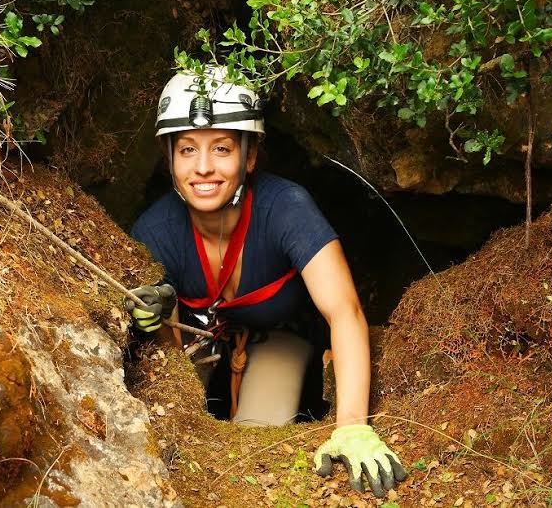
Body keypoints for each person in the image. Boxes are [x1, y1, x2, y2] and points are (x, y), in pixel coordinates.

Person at [125, 66, 408, 497]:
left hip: (281, 338)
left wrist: (353, 427)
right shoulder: (155, 231)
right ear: (169, 159)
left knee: (259, 433)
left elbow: (345, 311)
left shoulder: (285, 208)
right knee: (181, 438)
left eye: (221, 148)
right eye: (187, 150)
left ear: (250, 156)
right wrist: (152, 322)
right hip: (198, 348)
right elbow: (167, 351)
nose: (203, 168)